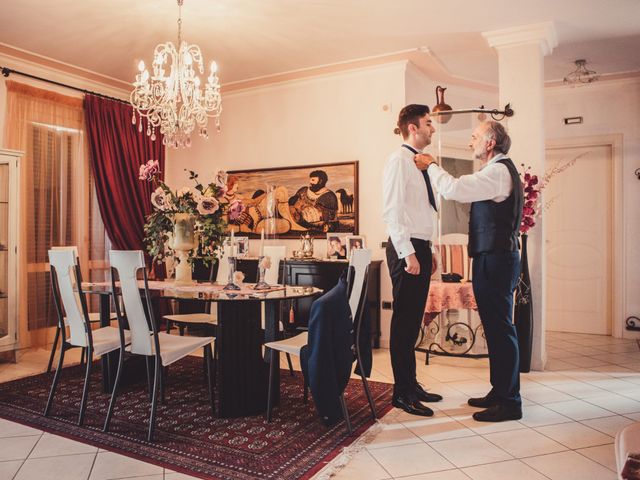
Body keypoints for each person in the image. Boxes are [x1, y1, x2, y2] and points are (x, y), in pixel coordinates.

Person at [415, 120, 524, 422]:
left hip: (498, 259)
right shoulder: (496, 172)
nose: (470, 142)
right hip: (494, 257)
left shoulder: (499, 172)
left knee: (501, 330)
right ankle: (499, 391)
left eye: (474, 137)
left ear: (490, 143)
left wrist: (432, 164)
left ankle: (510, 402)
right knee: (495, 328)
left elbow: (454, 189)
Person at [382, 104, 443, 417]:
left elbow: (419, 212)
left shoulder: (417, 163)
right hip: (405, 248)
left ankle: (413, 384)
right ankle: (401, 393)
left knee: (413, 322)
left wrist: (427, 249)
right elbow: (392, 212)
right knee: (404, 324)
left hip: (419, 245)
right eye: (428, 123)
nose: (432, 128)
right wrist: (408, 253)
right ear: (413, 128)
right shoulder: (398, 162)